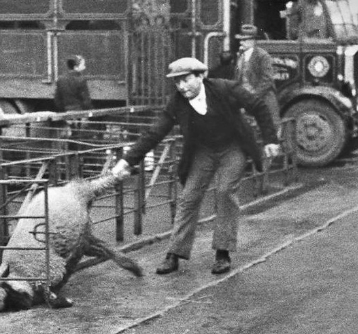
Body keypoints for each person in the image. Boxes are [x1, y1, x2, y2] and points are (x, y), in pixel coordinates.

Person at [111, 57, 280, 275]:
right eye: (177, 82)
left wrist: (270, 140)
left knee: (225, 191)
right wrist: (127, 161)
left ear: (201, 76)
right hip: (204, 150)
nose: (182, 87)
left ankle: (222, 252)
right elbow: (154, 133)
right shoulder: (177, 103)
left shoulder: (224, 88)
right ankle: (174, 253)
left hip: (232, 146)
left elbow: (258, 105)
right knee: (189, 197)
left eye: (186, 80)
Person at [235, 24, 281, 129]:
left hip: (263, 98)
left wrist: (254, 96)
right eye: (241, 40)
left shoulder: (263, 56)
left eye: (245, 40)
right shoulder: (241, 55)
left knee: (267, 129)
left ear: (253, 41)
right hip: (246, 98)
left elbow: (267, 80)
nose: (241, 42)